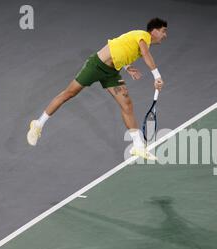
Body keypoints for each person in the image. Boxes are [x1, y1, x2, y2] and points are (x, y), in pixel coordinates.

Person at [27, 18, 168, 160]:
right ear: (154, 31)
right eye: (163, 31)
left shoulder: (138, 40)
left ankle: (138, 147)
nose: (165, 35)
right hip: (96, 66)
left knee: (127, 104)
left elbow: (120, 48)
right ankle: (38, 124)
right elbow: (145, 54)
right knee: (69, 93)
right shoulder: (143, 36)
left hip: (111, 74)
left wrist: (127, 67)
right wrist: (157, 76)